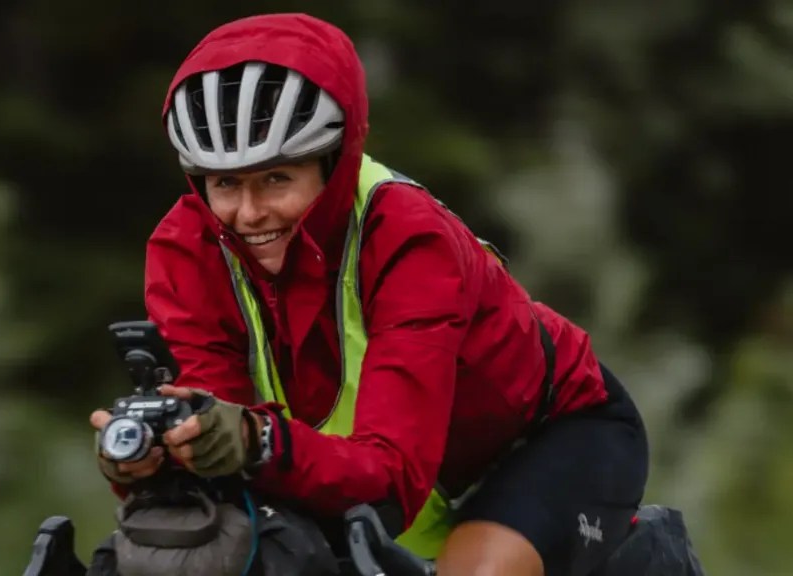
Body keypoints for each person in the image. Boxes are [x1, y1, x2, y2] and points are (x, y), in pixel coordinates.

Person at [90, 12, 649, 576]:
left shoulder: (410, 236)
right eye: (225, 184)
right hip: (369, 480)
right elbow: (229, 457)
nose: (249, 213)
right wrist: (161, 458)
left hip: (546, 441)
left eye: (277, 179)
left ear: (333, 165)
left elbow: (389, 481)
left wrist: (257, 441)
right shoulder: (186, 248)